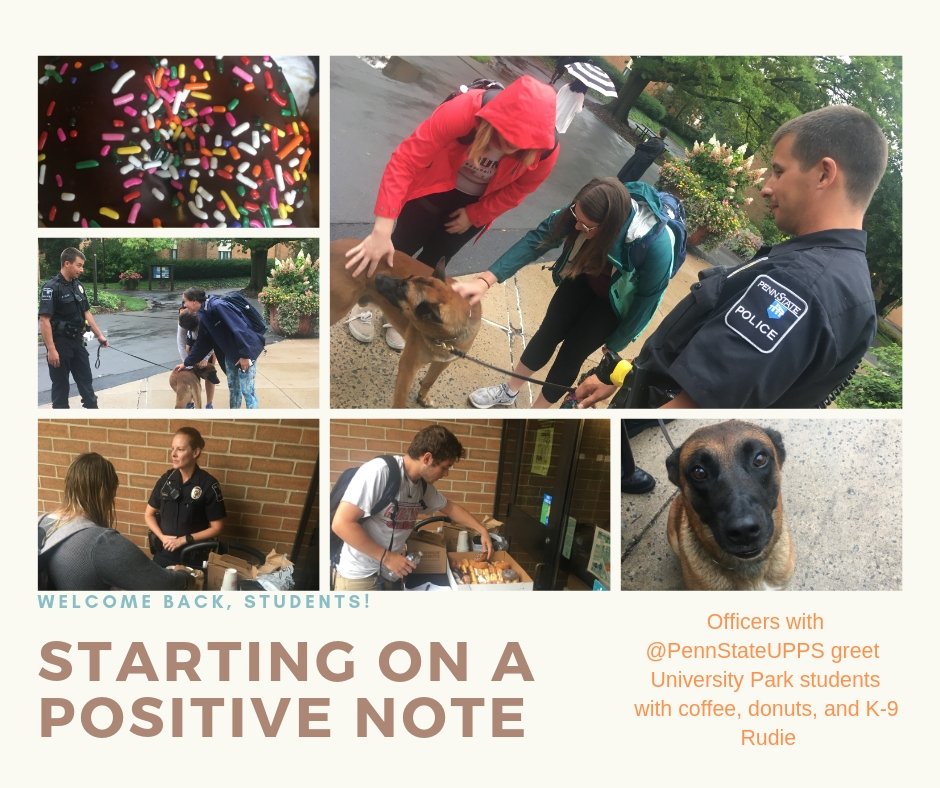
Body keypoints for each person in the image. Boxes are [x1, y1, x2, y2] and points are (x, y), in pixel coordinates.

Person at [574, 104, 889, 410]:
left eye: (778, 171)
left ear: (824, 174)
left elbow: (695, 403)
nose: (766, 188)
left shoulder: (797, 283)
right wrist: (625, 378)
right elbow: (697, 358)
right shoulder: (849, 286)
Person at [343, 74, 559, 350]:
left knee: (435, 264)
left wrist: (476, 214)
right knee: (397, 249)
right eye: (506, 135)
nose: (513, 146)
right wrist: (382, 228)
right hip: (433, 188)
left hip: (474, 206)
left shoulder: (545, 153)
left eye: (523, 143)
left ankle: (399, 314)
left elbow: (517, 192)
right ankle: (365, 300)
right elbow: (406, 160)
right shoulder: (464, 111)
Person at [457, 177, 674, 408]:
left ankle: (535, 413)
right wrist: (485, 280)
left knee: (572, 355)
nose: (577, 227)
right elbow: (538, 240)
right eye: (576, 217)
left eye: (586, 226)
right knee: (547, 333)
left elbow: (647, 302)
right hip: (584, 275)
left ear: (609, 227)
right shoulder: (586, 211)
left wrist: (615, 343)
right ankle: (509, 391)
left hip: (614, 304)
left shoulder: (655, 248)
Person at [332, 425, 494, 590]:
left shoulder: (421, 487)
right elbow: (341, 524)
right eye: (444, 467)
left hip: (391, 573)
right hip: (359, 577)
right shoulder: (380, 472)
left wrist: (482, 530)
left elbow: (450, 508)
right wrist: (386, 557)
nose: (446, 474)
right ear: (427, 458)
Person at [39, 453, 194, 590]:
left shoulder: (41, 522)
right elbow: (162, 585)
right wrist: (183, 574)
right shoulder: (101, 542)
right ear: (103, 493)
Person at [144, 427, 226, 568]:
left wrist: (184, 540)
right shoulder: (166, 480)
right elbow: (148, 514)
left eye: (180, 449)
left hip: (193, 556)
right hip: (164, 553)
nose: (173, 454)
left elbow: (217, 527)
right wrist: (162, 537)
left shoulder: (208, 485)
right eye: (172, 449)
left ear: (195, 452)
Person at [38, 247, 109, 409]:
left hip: (78, 342)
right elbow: (44, 320)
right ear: (67, 263)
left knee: (87, 385)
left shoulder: (78, 286)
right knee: (61, 390)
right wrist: (51, 350)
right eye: (79, 265)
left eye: (82, 265)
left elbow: (87, 313)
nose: (82, 269)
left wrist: (99, 335)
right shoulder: (51, 288)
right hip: (60, 345)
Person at [175, 287, 264, 409]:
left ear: (194, 301)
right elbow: (203, 342)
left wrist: (244, 355)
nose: (184, 305)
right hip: (230, 354)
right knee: (234, 388)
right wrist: (187, 363)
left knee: (247, 391)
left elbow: (240, 329)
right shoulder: (204, 313)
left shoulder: (218, 306)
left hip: (245, 353)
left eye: (185, 301)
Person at [177, 308, 219, 409]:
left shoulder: (206, 321)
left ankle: (209, 405)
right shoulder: (183, 321)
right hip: (191, 347)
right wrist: (186, 362)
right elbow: (181, 341)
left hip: (209, 347)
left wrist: (206, 358)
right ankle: (189, 403)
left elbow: (214, 341)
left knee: (209, 374)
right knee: (191, 376)